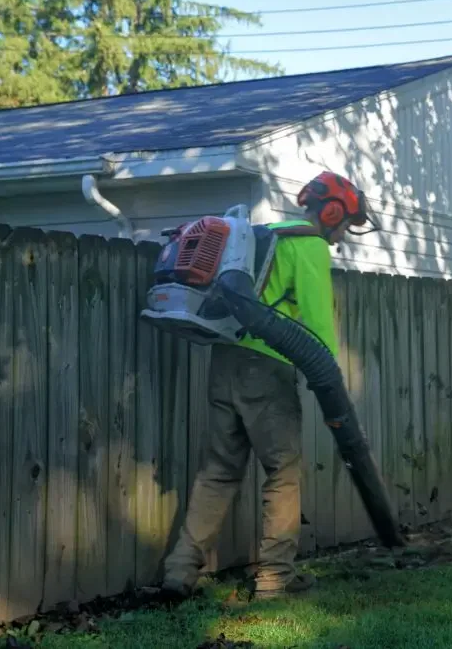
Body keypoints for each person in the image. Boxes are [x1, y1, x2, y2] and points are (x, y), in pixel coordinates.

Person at [161, 170, 375, 601]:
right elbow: (315, 328)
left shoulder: (262, 235)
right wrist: (330, 381)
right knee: (283, 472)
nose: (342, 237)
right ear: (332, 213)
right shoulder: (308, 245)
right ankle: (275, 579)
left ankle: (179, 571)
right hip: (268, 368)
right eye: (345, 225)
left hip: (225, 360)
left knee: (219, 470)